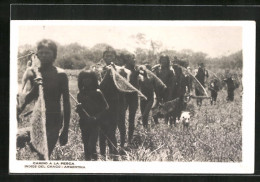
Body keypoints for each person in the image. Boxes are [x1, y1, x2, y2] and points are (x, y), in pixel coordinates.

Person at [17, 39, 71, 159]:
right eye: (41, 53)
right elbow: (27, 98)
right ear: (37, 54)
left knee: (44, 155)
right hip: (38, 118)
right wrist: (34, 88)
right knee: (36, 153)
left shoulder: (61, 74)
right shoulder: (33, 72)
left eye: (47, 53)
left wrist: (65, 129)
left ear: (54, 55)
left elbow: (66, 102)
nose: (44, 55)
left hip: (54, 118)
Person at [76, 70, 109, 161]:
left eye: (89, 78)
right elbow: (80, 111)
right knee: (86, 145)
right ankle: (89, 162)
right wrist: (79, 108)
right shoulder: (80, 94)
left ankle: (94, 160)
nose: (86, 80)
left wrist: (96, 117)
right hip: (84, 123)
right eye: (84, 79)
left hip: (95, 123)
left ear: (93, 80)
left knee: (92, 144)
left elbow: (106, 107)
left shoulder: (97, 92)